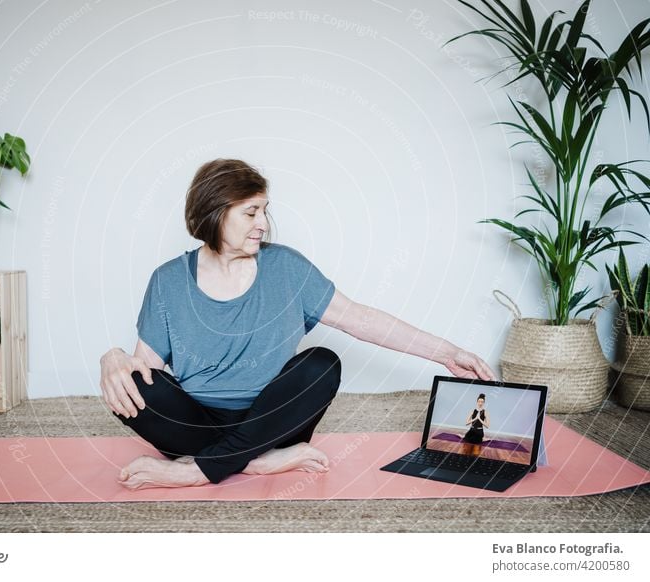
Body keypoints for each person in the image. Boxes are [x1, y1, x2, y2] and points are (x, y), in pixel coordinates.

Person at [99, 158, 497, 490]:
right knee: (128, 386)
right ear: (215, 213)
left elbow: (359, 318)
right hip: (196, 423)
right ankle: (255, 462)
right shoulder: (168, 280)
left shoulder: (287, 267)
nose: (264, 224)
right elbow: (145, 370)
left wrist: (449, 353)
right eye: (251, 212)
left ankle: (197, 468)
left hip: (273, 421)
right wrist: (114, 360)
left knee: (323, 362)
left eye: (265, 210)